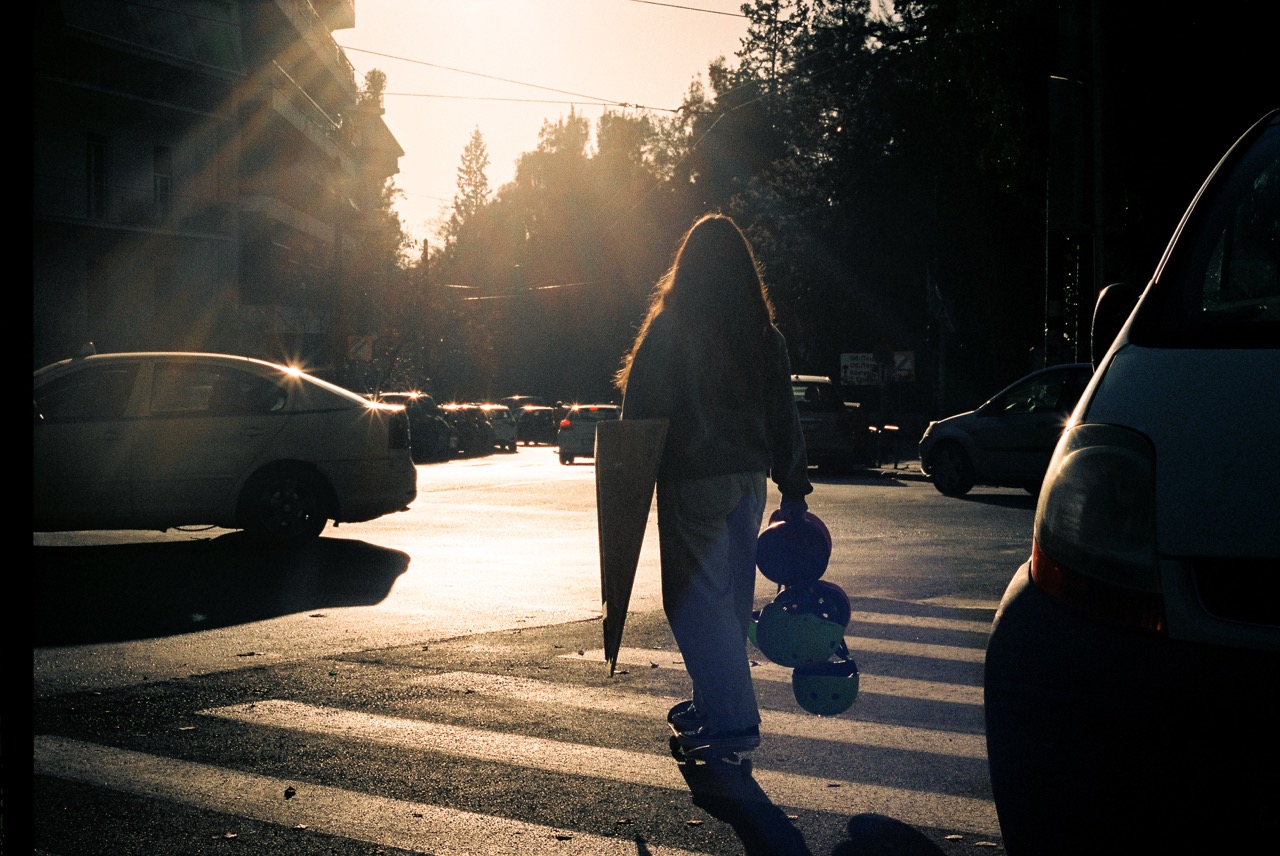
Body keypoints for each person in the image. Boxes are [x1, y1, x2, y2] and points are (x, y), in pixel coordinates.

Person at [615, 213, 812, 753]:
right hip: (749, 483)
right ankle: (711, 705)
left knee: (690, 602)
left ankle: (734, 720)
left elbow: (640, 406)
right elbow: (783, 417)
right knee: (727, 605)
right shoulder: (762, 335)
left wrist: (631, 475)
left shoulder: (671, 326)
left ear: (688, 268)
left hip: (691, 478)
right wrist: (793, 489)